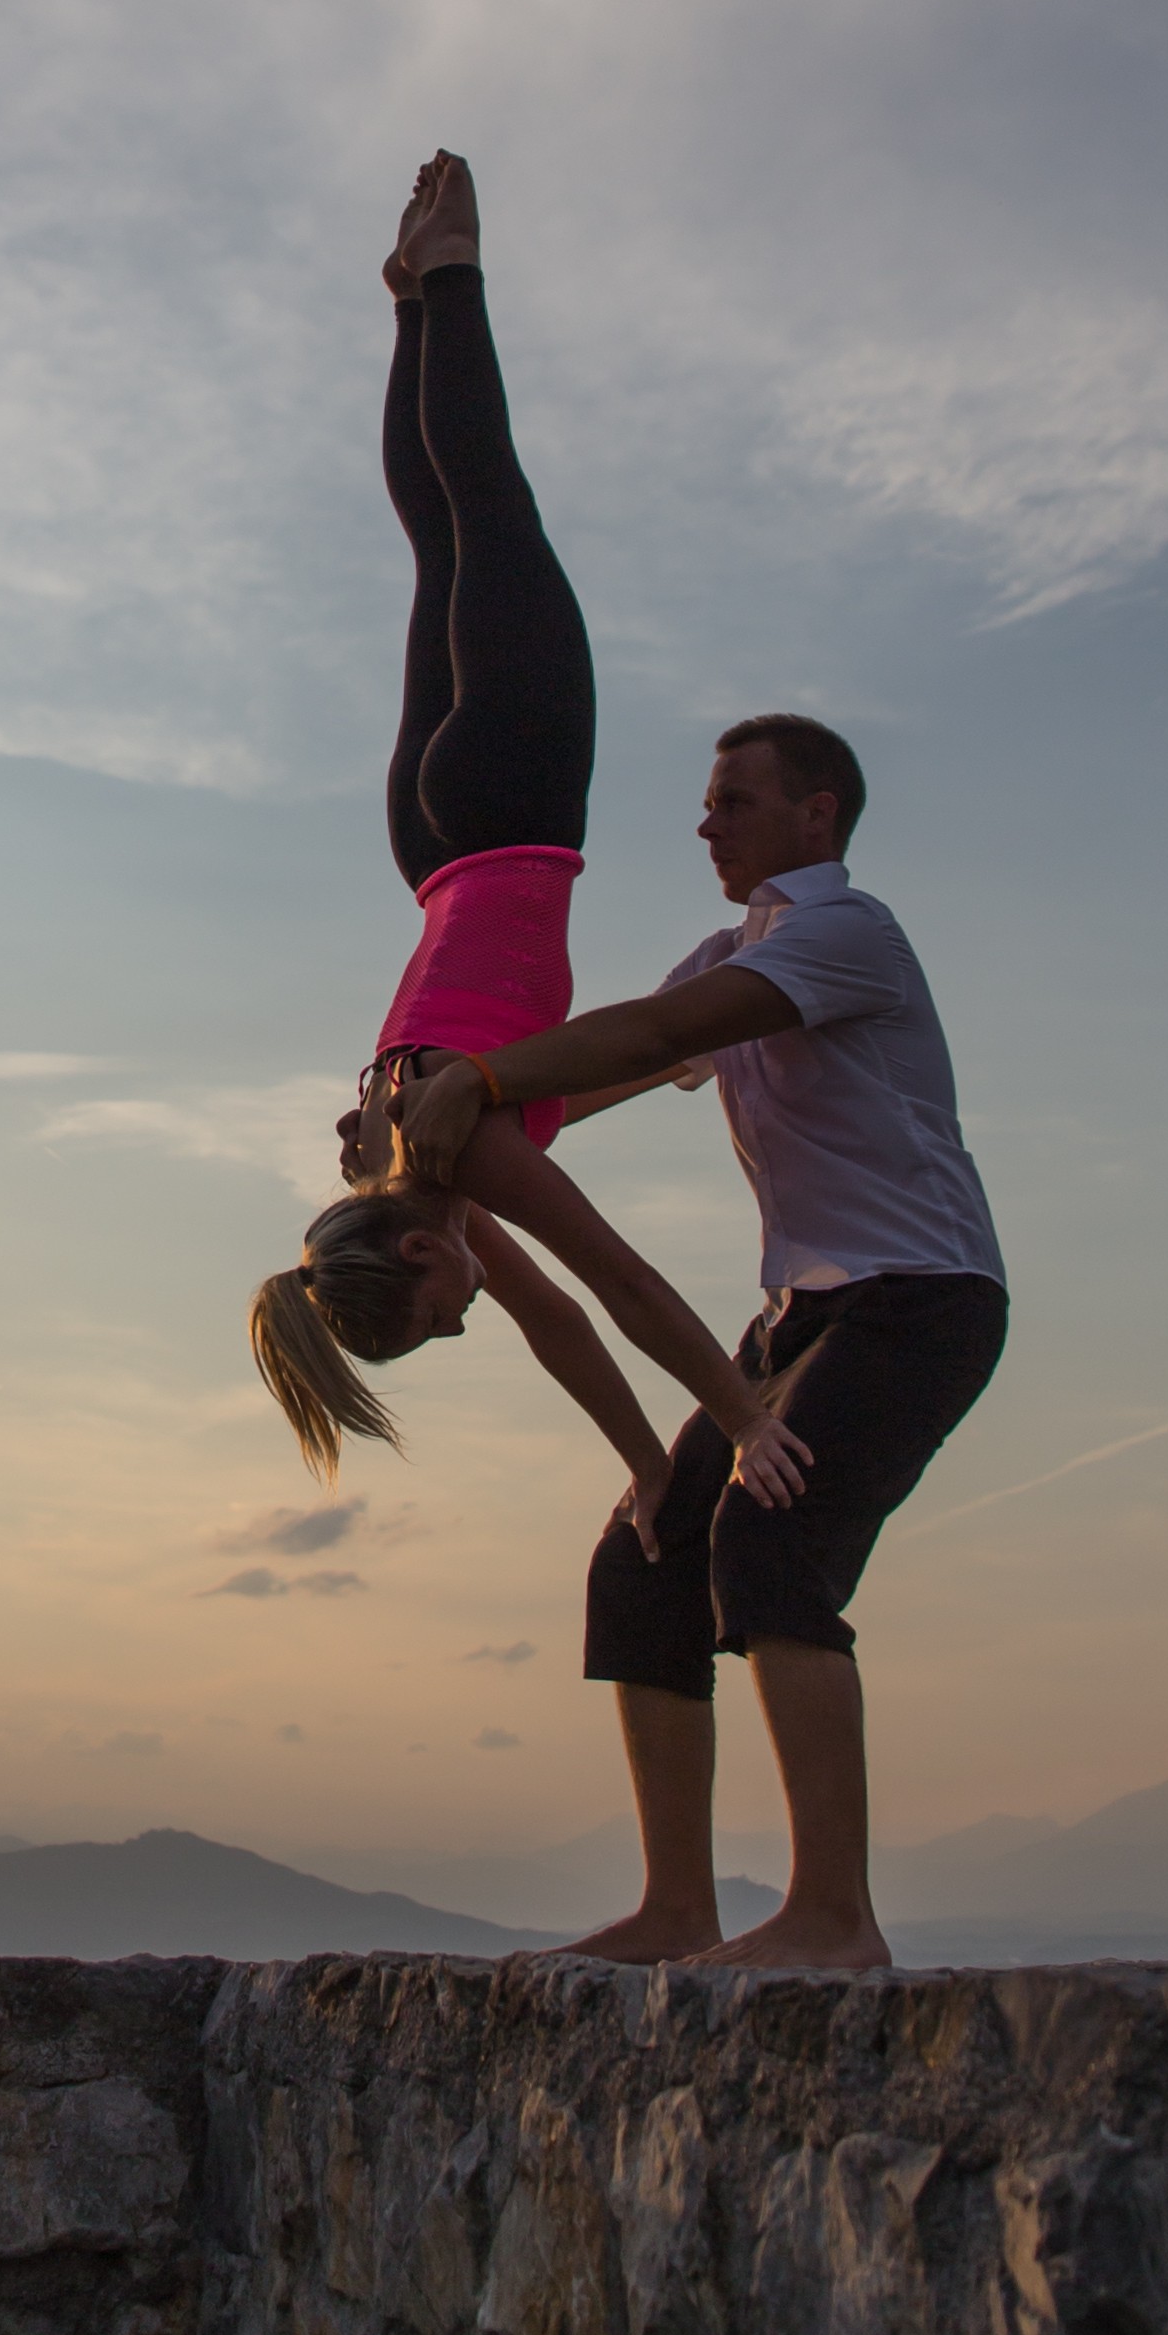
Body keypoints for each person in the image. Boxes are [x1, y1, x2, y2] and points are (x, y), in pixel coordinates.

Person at [248, 158, 811, 1531]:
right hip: (429, 842)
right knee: (442, 544)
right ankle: (410, 303)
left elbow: (613, 1288)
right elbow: (559, 1324)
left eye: (442, 1316)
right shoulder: (403, 1153)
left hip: (508, 809)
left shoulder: (461, 1163)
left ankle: (451, 274)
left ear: (419, 1256)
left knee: (489, 513)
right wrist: (647, 1468)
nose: (467, 1317)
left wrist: (742, 1422)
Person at [394, 720, 1007, 1973]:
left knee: (773, 1540)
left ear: (816, 814)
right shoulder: (735, 953)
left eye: (733, 800)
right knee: (647, 1552)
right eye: (708, 800)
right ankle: (678, 1909)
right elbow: (602, 1076)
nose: (704, 823)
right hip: (802, 1314)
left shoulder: (845, 935)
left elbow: (640, 1034)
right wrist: (434, 1113)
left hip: (922, 1298)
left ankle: (834, 1916)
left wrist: (481, 1082)